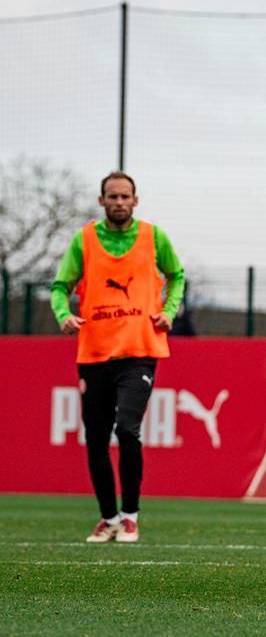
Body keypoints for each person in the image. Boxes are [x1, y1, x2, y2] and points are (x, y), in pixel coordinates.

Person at [50, 171, 185, 544]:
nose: (119, 202)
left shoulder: (153, 236)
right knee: (95, 440)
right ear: (102, 201)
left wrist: (170, 311)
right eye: (113, 196)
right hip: (93, 353)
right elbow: (60, 287)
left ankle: (130, 516)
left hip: (139, 351)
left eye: (126, 196)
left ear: (135, 201)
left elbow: (177, 274)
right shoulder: (85, 239)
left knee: (126, 429)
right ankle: (107, 518)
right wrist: (64, 315)